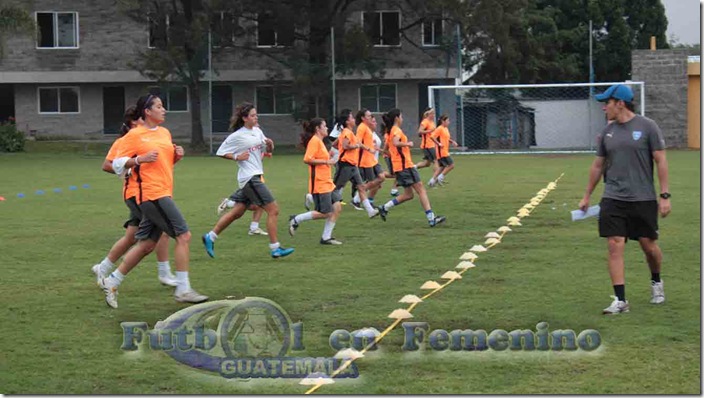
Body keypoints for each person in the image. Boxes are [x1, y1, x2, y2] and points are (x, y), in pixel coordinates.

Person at [100, 94, 208, 308]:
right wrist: (139, 159)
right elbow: (117, 164)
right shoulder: (134, 135)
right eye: (159, 106)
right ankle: (183, 289)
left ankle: (112, 281)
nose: (164, 109)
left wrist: (177, 156)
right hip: (150, 194)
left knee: (148, 244)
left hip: (163, 191)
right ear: (147, 111)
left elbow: (163, 163)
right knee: (183, 235)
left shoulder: (164, 133)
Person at [578, 84, 671, 315]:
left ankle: (656, 281)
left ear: (620, 103)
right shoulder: (607, 132)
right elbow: (598, 164)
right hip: (613, 197)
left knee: (648, 246)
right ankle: (620, 300)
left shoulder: (648, 127)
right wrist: (587, 194)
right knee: (614, 244)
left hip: (642, 198)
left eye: (606, 102)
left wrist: (665, 195)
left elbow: (660, 160)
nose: (603, 108)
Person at [92, 107, 176, 287]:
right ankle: (164, 273)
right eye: (140, 120)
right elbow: (107, 165)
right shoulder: (127, 140)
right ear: (133, 122)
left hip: (146, 192)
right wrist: (132, 166)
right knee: (163, 230)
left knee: (131, 236)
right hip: (136, 193)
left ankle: (104, 268)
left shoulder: (151, 137)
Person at [202, 103, 294, 259]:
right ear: (244, 118)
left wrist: (270, 146)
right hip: (249, 177)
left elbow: (267, 150)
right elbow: (220, 152)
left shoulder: (257, 131)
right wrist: (237, 157)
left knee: (237, 212)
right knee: (273, 210)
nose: (256, 117)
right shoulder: (237, 136)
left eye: (256, 115)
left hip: (255, 175)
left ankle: (210, 237)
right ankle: (275, 248)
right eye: (252, 115)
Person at [376, 108, 446, 227]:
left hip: (400, 166)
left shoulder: (391, 130)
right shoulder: (396, 130)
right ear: (397, 118)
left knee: (409, 195)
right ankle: (431, 219)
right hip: (405, 166)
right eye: (401, 116)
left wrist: (395, 154)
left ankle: (384, 207)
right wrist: (407, 144)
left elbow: (387, 149)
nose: (402, 119)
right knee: (421, 190)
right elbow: (396, 142)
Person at [288, 118, 344, 245]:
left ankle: (326, 237)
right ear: (318, 129)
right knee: (325, 213)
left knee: (337, 207)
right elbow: (307, 159)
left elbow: (322, 158)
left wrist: (332, 158)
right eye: (324, 126)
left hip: (328, 182)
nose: (327, 128)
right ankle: (296, 219)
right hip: (319, 183)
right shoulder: (314, 141)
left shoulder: (320, 141)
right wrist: (326, 161)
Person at [331, 109, 379, 218]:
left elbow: (336, 144)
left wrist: (367, 148)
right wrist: (355, 146)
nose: (354, 120)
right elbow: (345, 145)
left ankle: (370, 211)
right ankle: (312, 197)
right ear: (347, 121)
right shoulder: (347, 132)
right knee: (334, 187)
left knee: (361, 187)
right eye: (352, 118)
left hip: (353, 165)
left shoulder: (348, 132)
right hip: (345, 165)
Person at [351, 109, 385, 205]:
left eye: (371, 115)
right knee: (375, 181)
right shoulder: (361, 127)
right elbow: (358, 142)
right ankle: (358, 197)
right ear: (363, 118)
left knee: (381, 178)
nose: (370, 117)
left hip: (372, 160)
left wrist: (373, 147)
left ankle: (358, 196)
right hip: (365, 161)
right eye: (368, 116)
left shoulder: (367, 128)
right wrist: (369, 149)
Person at [428, 114, 458, 187]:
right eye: (447, 121)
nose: (449, 122)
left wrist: (452, 141)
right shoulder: (439, 128)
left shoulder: (445, 129)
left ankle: (431, 181)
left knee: (441, 167)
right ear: (442, 121)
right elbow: (432, 137)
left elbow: (446, 138)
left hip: (444, 151)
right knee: (451, 165)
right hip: (442, 151)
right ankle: (440, 178)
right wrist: (438, 144)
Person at [414, 108, 438, 172]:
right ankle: (435, 178)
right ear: (428, 114)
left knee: (427, 163)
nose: (433, 115)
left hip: (431, 144)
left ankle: (413, 168)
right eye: (432, 113)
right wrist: (430, 131)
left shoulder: (432, 122)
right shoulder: (425, 122)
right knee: (436, 161)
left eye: (434, 113)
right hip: (427, 145)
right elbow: (420, 131)